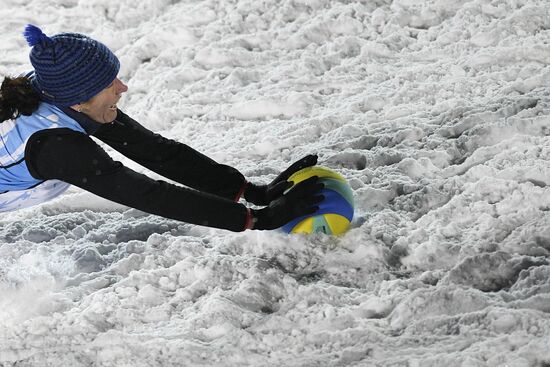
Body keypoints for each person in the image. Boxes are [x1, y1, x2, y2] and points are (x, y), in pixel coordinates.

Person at [0, 24, 324, 232]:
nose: (122, 87)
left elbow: (155, 152)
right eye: (109, 83)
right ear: (79, 101)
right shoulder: (56, 146)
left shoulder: (60, 93)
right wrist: (255, 220)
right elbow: (148, 195)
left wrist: (251, 192)